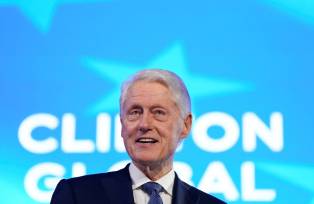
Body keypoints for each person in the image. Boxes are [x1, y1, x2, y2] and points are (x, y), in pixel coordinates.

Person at [51, 69, 226, 204]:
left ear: (185, 125)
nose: (144, 124)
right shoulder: (77, 195)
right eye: (135, 112)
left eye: (158, 113)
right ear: (122, 124)